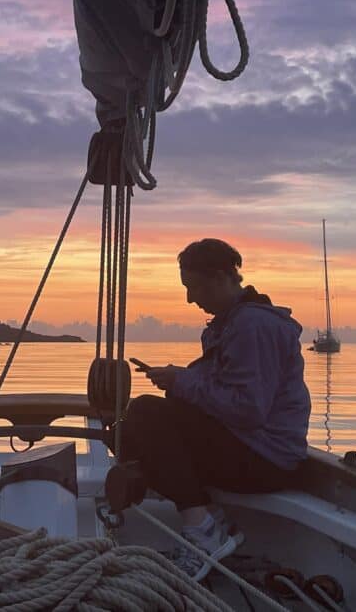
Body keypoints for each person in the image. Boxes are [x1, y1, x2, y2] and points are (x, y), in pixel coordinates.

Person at [121, 238, 311, 578]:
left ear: (222, 277)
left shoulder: (252, 327)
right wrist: (182, 380)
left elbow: (249, 410)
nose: (190, 299)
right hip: (250, 449)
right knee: (134, 435)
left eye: (194, 287)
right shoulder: (232, 325)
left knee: (146, 413)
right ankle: (208, 520)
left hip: (266, 459)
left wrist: (182, 382)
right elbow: (225, 393)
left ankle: (206, 530)